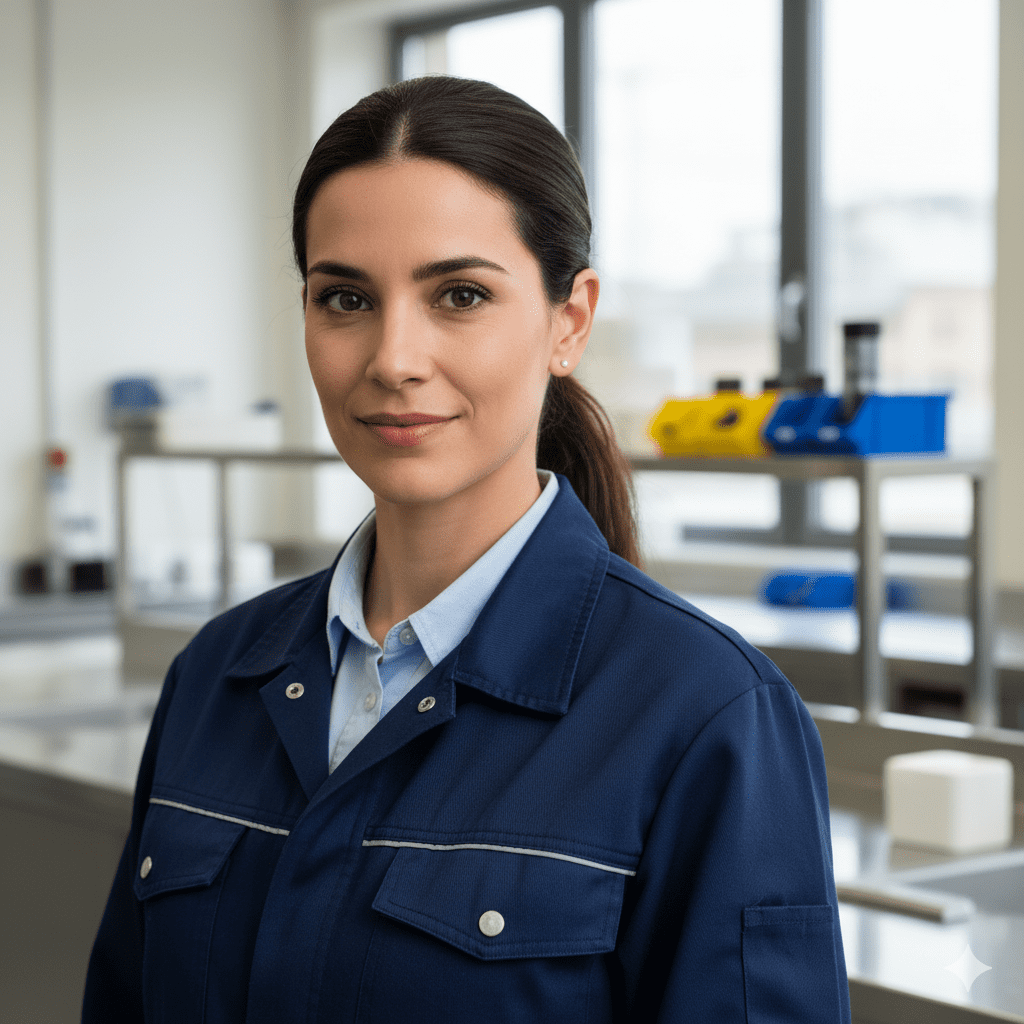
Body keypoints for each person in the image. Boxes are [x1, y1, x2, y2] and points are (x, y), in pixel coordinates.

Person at [83, 76, 851, 1023]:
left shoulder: (707, 714)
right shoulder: (215, 677)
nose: (393, 359)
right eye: (345, 298)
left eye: (459, 295)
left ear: (569, 321)